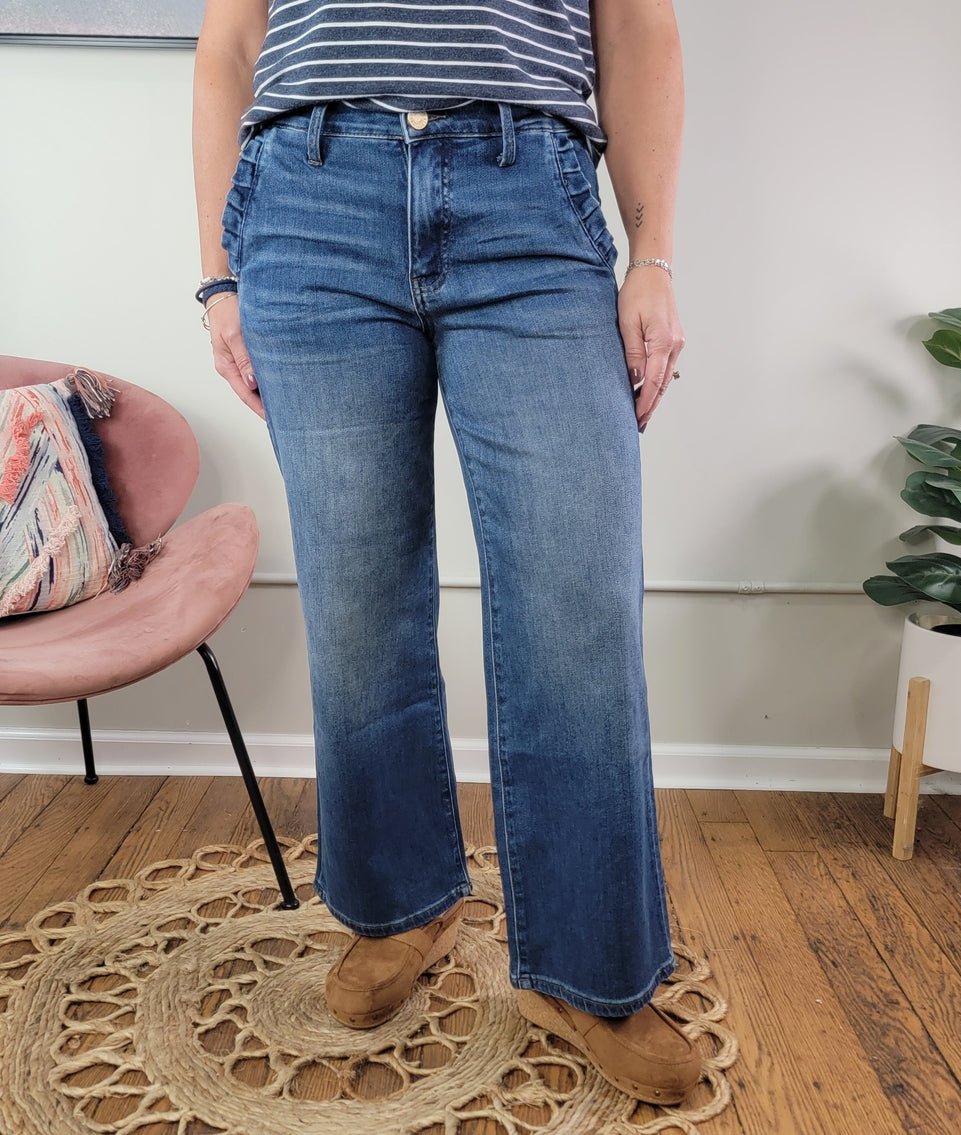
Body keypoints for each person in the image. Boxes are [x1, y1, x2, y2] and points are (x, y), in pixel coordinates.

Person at [193, 0, 697, 1105]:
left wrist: (651, 251)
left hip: (531, 192)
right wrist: (218, 274)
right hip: (308, 200)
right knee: (357, 593)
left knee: (578, 598)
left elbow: (638, 26)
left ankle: (587, 972)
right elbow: (230, 44)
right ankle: (401, 905)